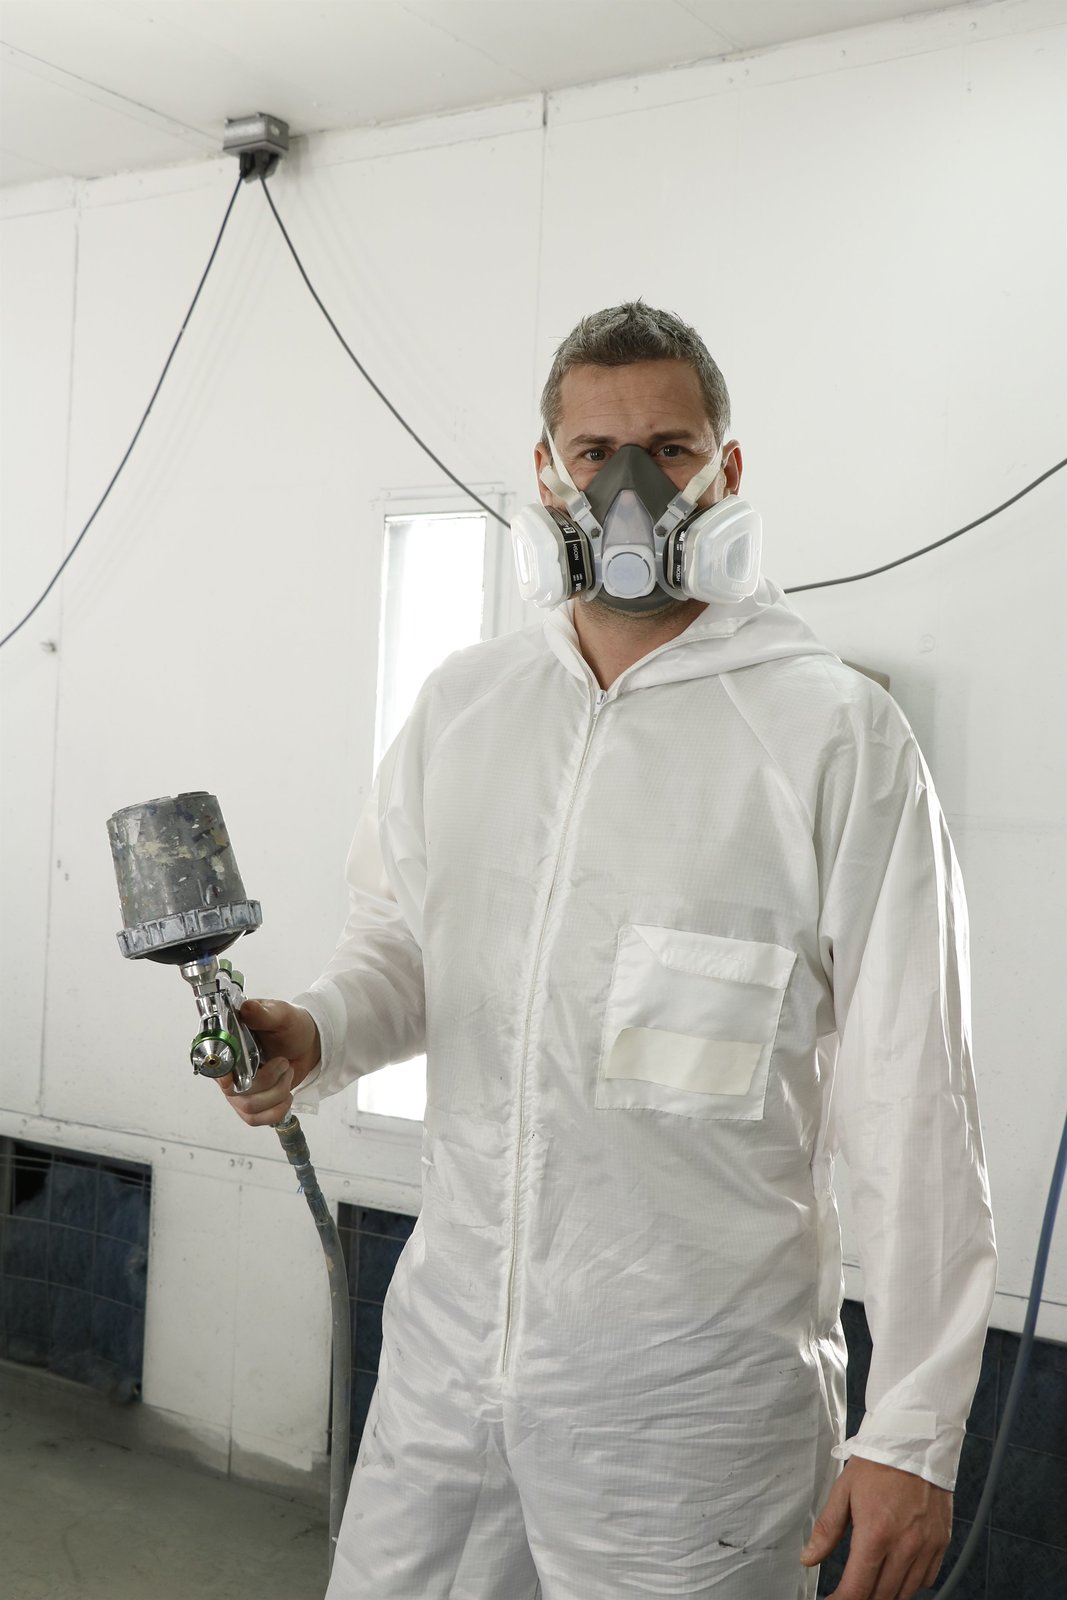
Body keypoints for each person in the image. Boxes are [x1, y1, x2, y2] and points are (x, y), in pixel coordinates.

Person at [222, 303, 997, 1600]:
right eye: (594, 453)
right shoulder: (467, 708)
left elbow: (913, 1097)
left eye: (669, 449)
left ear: (726, 472)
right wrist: (318, 1033)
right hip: (451, 1370)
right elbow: (407, 947)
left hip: (694, 1409)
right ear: (546, 476)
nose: (630, 486)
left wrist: (912, 1430)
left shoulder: (830, 737)